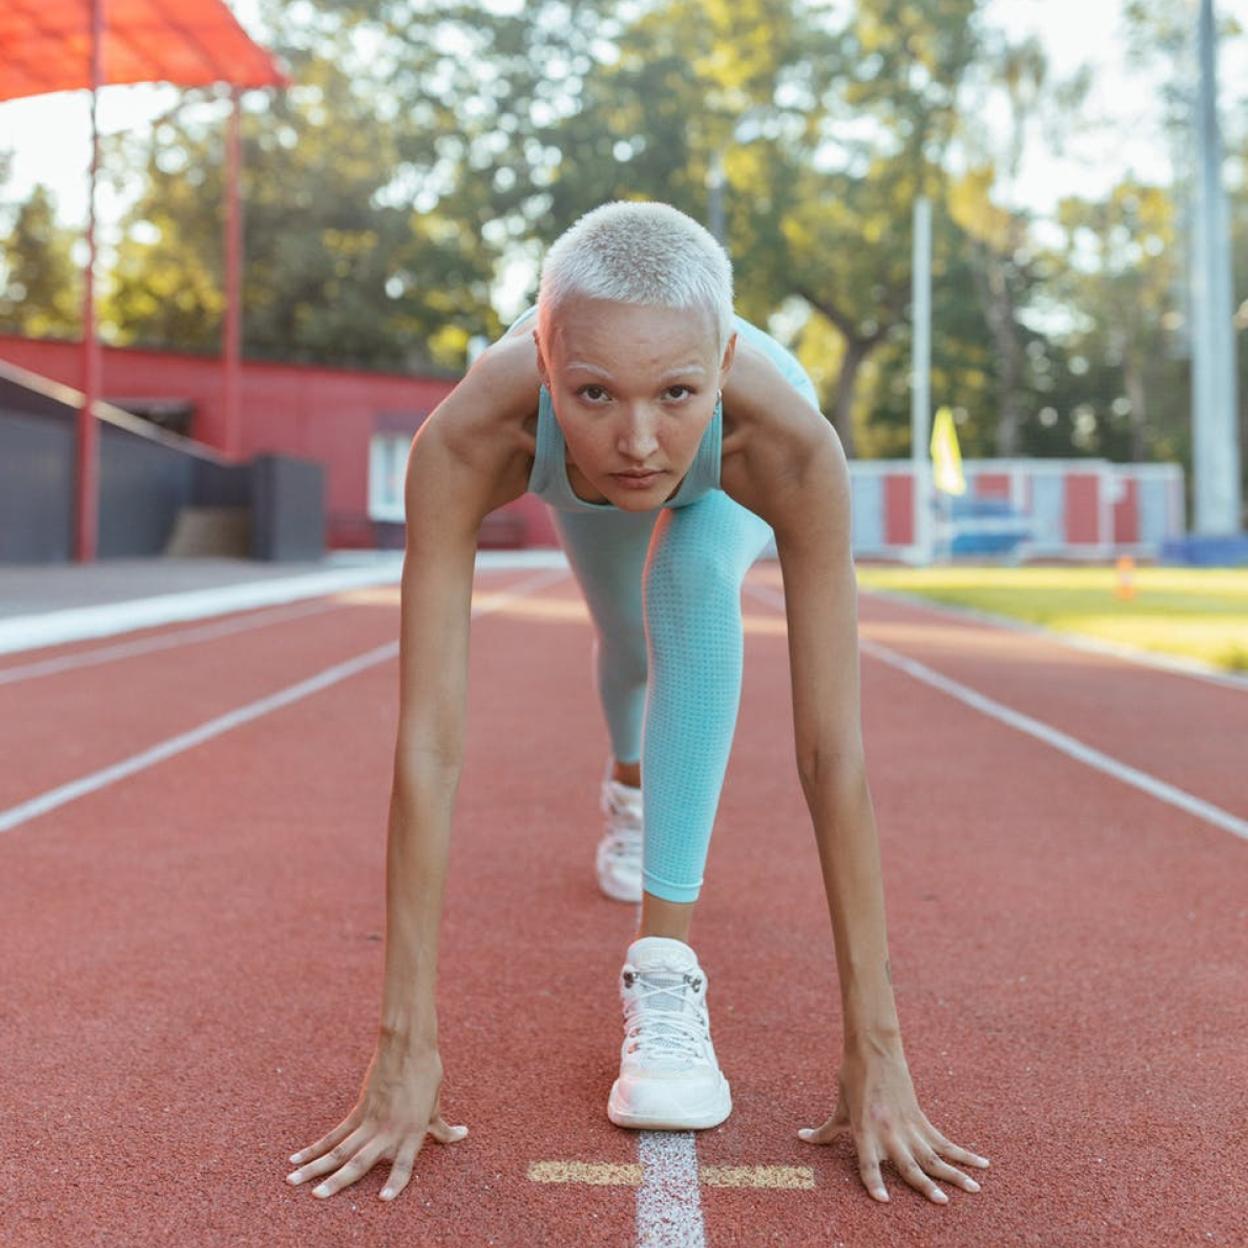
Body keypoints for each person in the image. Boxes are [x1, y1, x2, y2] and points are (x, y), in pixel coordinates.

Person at [284, 201, 990, 1207]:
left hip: (732, 476)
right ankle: (626, 781)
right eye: (594, 393)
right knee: (625, 639)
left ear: (724, 359)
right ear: (542, 355)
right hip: (571, 450)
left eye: (677, 393)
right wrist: (405, 1047)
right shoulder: (470, 436)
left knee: (689, 582)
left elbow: (834, 753)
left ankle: (665, 970)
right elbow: (432, 743)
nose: (639, 442)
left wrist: (878, 1051)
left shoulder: (786, 441)